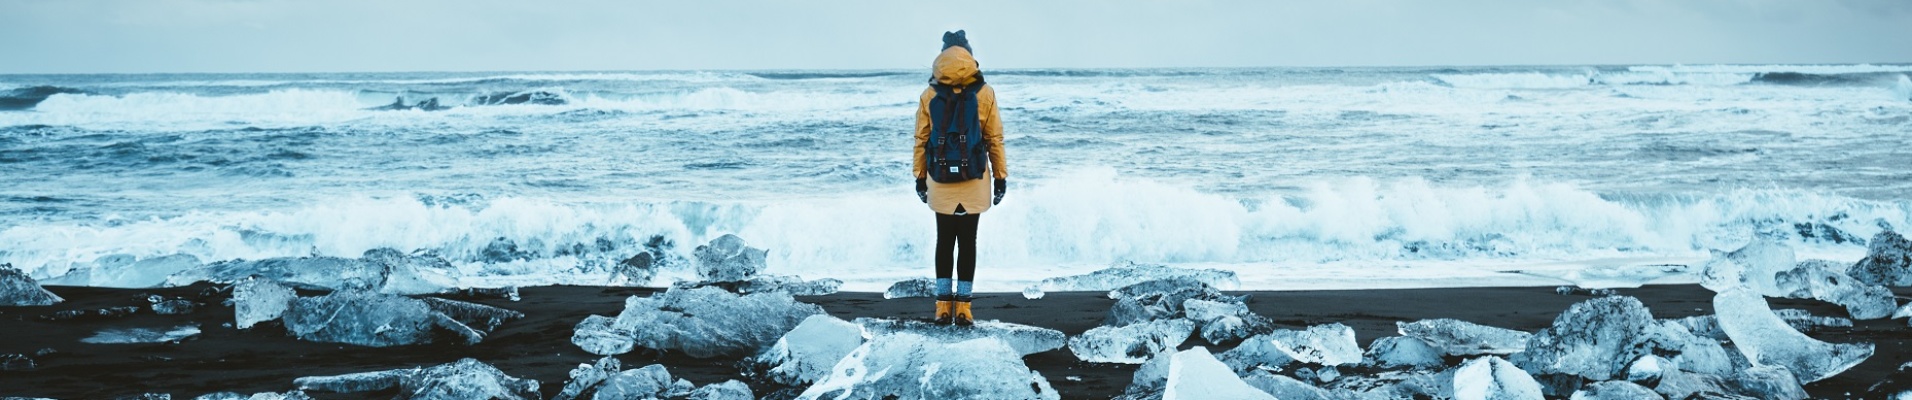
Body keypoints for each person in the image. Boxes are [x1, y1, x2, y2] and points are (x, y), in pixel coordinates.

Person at [913, 30, 1008, 326]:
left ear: (942, 56)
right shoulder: (985, 92)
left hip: (939, 177)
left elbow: (921, 139)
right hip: (975, 177)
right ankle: (964, 308)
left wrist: (919, 176)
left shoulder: (929, 94)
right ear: (968, 54)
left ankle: (942, 308)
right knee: (968, 241)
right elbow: (994, 138)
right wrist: (1001, 176)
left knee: (944, 239)